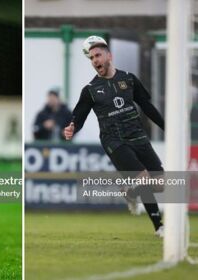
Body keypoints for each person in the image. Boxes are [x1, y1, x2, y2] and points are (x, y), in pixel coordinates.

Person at [64, 36, 164, 237]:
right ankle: (159, 227)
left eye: (98, 55)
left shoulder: (129, 79)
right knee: (144, 178)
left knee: (160, 184)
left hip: (137, 136)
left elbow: (147, 107)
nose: (95, 61)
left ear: (109, 55)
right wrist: (72, 127)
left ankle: (130, 192)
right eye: (91, 58)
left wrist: (167, 127)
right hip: (114, 141)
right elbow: (79, 116)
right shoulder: (90, 90)